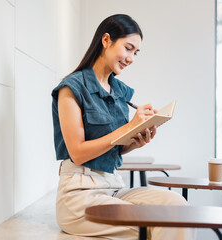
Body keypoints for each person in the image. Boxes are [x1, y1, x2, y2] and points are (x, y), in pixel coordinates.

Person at [51, 14, 195, 240]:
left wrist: (134, 141)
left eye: (135, 53)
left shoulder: (120, 92)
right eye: (128, 48)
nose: (131, 59)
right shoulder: (71, 88)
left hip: (113, 187)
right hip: (79, 195)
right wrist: (128, 128)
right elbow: (77, 153)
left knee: (178, 205)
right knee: (153, 224)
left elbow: (113, 147)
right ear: (106, 40)